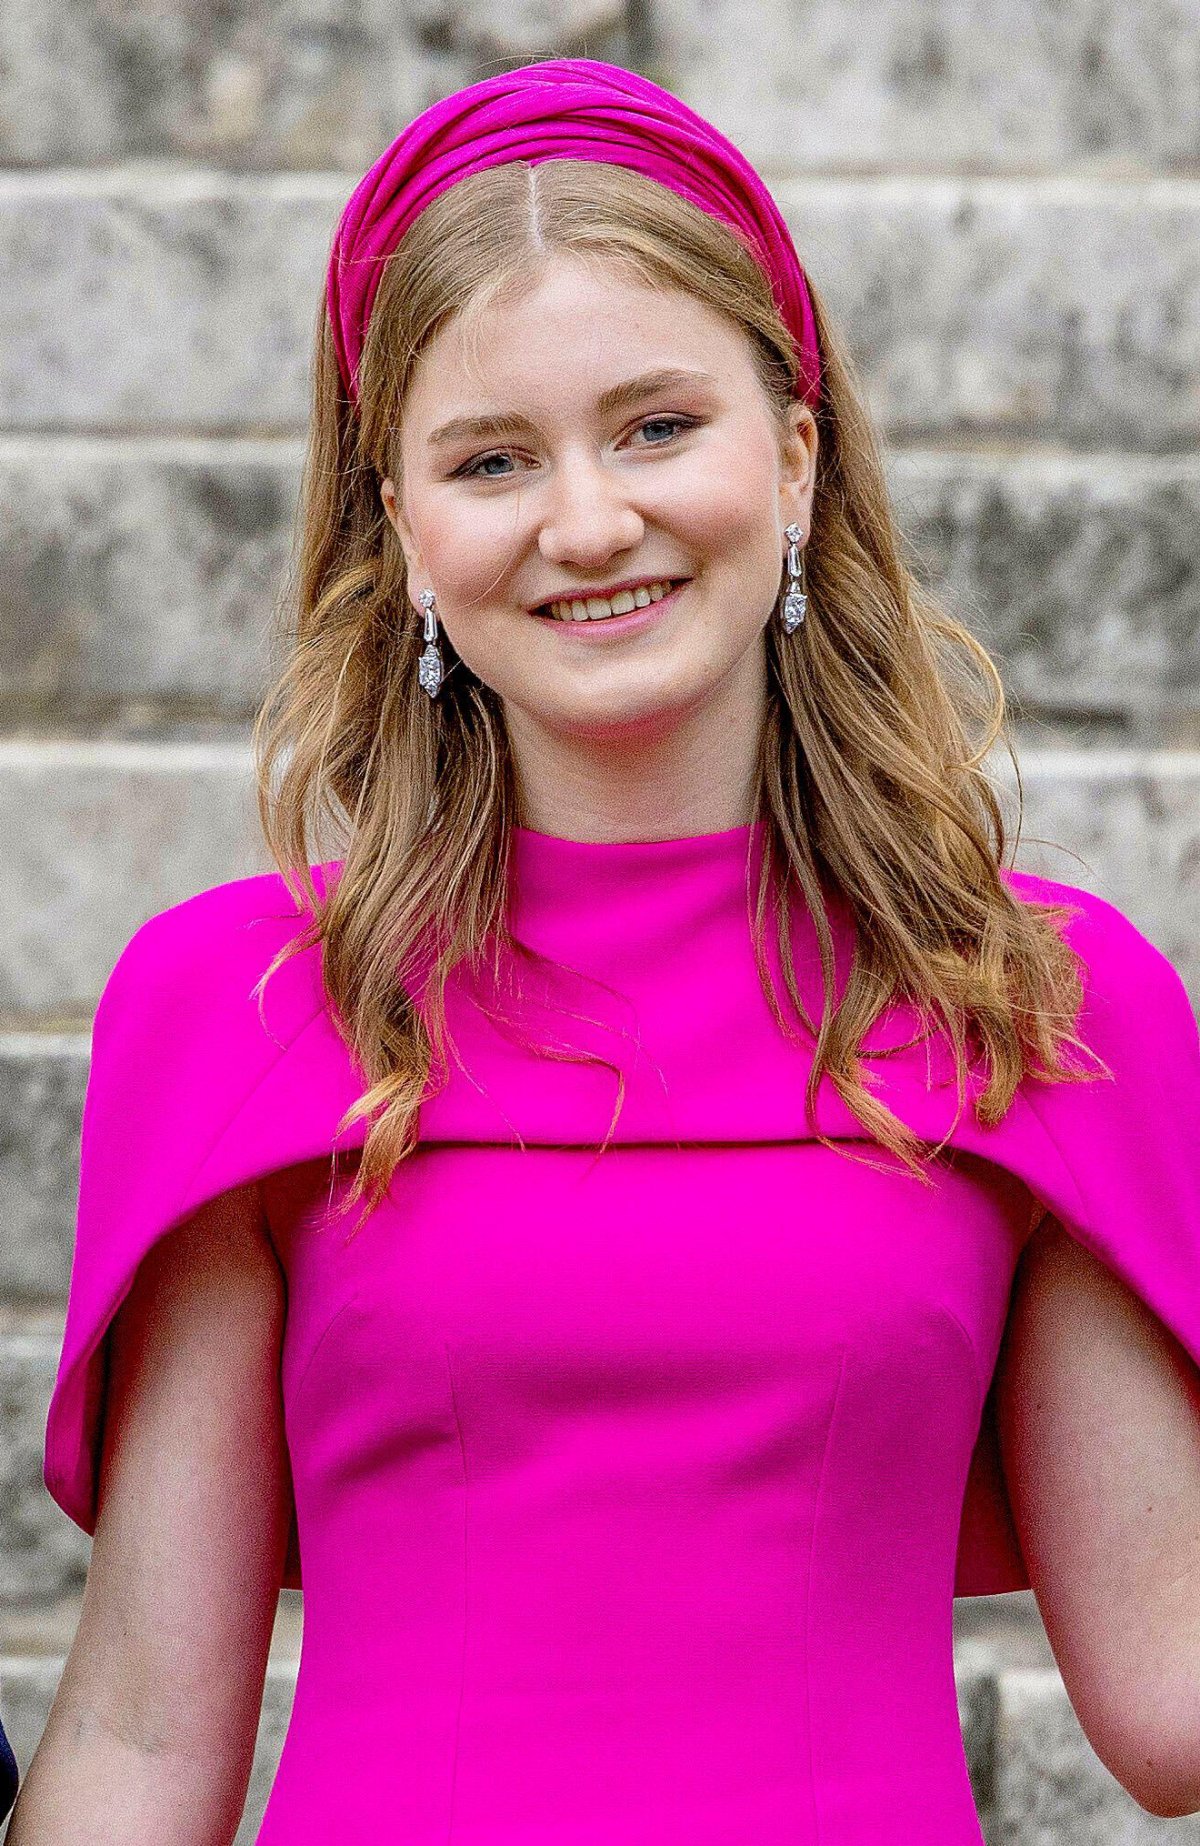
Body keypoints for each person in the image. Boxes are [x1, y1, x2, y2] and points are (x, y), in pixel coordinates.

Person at [12, 55, 1200, 1846]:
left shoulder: (1034, 1000)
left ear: (793, 455)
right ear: (404, 530)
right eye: (493, 458)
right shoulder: (246, 1007)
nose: (587, 521)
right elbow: (144, 1734)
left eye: (657, 425)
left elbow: (1171, 1698)